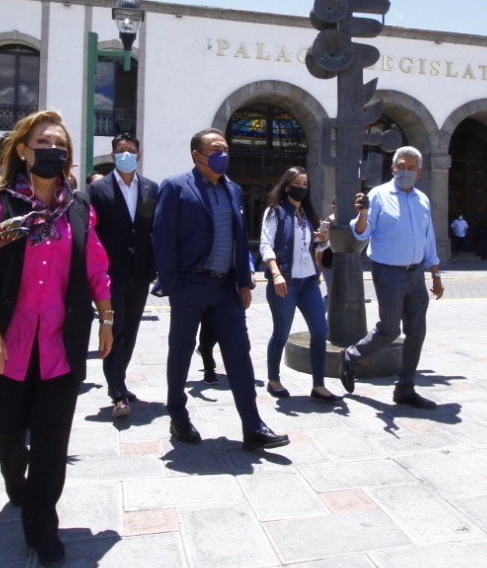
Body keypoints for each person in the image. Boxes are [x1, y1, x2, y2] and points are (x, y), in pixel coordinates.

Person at [0, 110, 113, 568]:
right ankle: (15, 481)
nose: (54, 150)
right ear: (24, 150)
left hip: (59, 345)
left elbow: (96, 265)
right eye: (44, 142)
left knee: (52, 440)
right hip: (8, 343)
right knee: (7, 434)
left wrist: (106, 317)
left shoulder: (79, 207)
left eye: (61, 145)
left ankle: (42, 526)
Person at [152, 128, 289, 449]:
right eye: (215, 148)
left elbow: (241, 239)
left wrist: (244, 279)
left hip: (225, 289)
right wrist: (172, 284)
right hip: (190, 285)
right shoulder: (176, 187)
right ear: (197, 155)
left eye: (225, 148)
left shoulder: (233, 190)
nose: (222, 153)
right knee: (182, 353)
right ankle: (178, 416)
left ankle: (253, 426)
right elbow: (162, 238)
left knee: (239, 355)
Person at [338, 146, 445, 409]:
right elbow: (362, 234)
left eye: (411, 167)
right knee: (389, 329)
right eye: (401, 166)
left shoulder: (422, 200)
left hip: (416, 273)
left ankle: (405, 388)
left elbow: (428, 236)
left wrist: (435, 271)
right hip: (388, 273)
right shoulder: (378, 195)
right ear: (393, 168)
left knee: (416, 332)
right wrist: (362, 214)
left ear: (419, 172)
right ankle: (351, 357)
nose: (406, 171)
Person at [88, 132, 158, 419]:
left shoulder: (152, 189)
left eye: (130, 150)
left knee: (130, 331)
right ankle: (117, 391)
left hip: (140, 272)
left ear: (139, 155)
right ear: (113, 154)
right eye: (120, 150)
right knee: (114, 329)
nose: (125, 155)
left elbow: (155, 228)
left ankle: (120, 378)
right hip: (110, 273)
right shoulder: (98, 190)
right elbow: (91, 232)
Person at [259, 167, 341, 403]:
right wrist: (275, 274)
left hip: (308, 283)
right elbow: (266, 244)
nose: (302, 188)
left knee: (320, 331)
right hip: (285, 282)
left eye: (305, 184)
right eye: (298, 183)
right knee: (282, 332)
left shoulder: (307, 215)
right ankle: (274, 379)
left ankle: (318, 385)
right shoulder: (275, 212)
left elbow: (314, 248)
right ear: (287, 186)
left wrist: (323, 241)